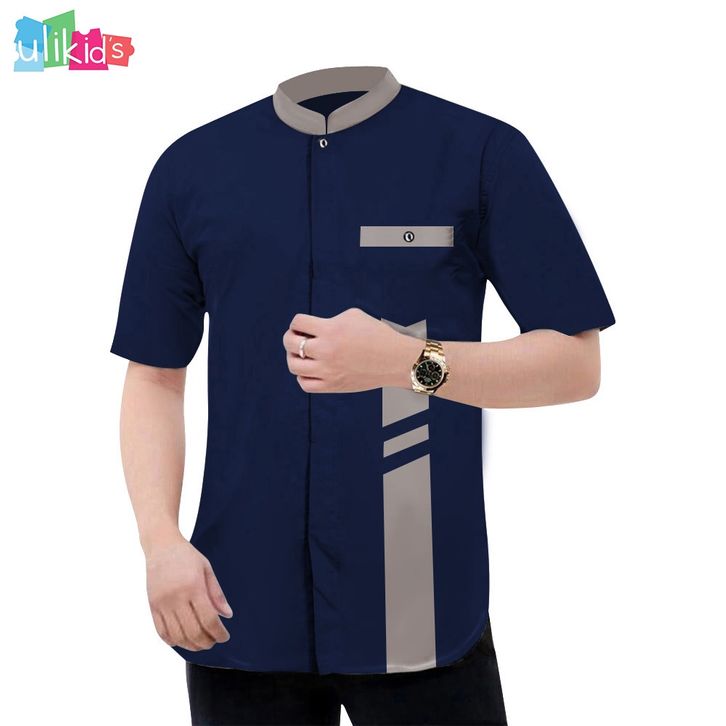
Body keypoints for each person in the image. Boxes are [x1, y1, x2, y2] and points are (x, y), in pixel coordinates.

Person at [112, 66, 615, 725]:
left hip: (421, 603)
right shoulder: (192, 169)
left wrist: (408, 362)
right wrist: (159, 541)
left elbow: (575, 363)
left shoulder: (480, 153)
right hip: (237, 601)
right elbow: (153, 374)